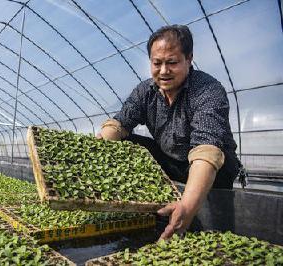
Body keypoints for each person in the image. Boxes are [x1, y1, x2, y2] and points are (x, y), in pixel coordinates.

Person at [96, 25, 242, 240]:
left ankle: (192, 215)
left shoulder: (207, 90)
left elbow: (207, 150)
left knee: (209, 227)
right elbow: (120, 123)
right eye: (157, 63)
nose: (163, 71)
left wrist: (187, 206)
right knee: (129, 143)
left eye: (172, 62)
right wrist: (98, 150)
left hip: (213, 169)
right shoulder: (146, 91)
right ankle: (147, 206)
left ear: (188, 59)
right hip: (173, 161)